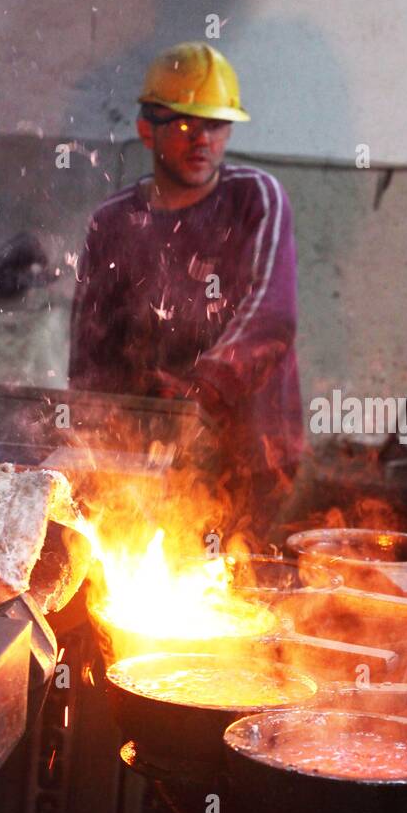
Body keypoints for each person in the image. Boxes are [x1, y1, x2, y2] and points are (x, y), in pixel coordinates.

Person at [69, 42, 303, 532]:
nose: (202, 141)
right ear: (145, 130)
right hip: (146, 459)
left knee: (235, 591)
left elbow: (271, 313)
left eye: (216, 126)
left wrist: (202, 390)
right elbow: (91, 350)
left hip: (248, 453)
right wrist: (92, 436)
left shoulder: (255, 198)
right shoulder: (113, 221)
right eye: (183, 125)